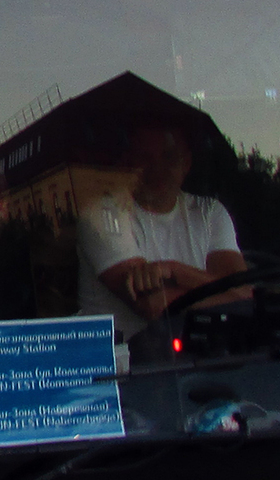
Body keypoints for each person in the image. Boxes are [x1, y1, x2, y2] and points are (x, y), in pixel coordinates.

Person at [77, 117, 248, 335]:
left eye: (169, 157)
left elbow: (244, 293)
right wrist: (226, 295)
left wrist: (174, 270)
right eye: (144, 158)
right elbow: (154, 305)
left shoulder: (209, 212)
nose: (157, 169)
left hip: (200, 351)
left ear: (186, 164)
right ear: (128, 163)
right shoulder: (103, 215)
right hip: (122, 355)